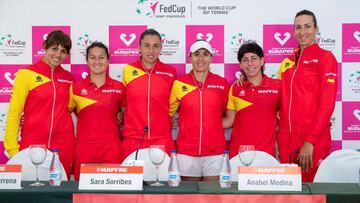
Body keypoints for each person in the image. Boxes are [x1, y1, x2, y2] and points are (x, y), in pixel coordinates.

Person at [4, 30, 75, 178]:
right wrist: (12, 150)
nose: (58, 54)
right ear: (45, 47)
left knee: (60, 193)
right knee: (31, 192)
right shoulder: (26, 73)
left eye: (63, 51)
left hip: (63, 145)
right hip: (32, 143)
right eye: (54, 48)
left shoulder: (69, 78)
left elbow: (74, 107)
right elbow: (14, 112)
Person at [277, 10, 338, 182]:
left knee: (311, 194)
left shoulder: (325, 58)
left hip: (311, 139)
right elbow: (277, 93)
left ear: (316, 28)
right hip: (285, 138)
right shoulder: (287, 61)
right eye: (298, 27)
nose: (302, 32)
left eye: (307, 26)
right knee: (288, 193)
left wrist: (310, 141)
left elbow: (327, 104)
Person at [169, 40, 229, 181]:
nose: (201, 58)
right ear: (190, 58)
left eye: (205, 54)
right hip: (187, 151)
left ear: (211, 58)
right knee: (189, 197)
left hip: (215, 151)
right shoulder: (179, 84)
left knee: (212, 197)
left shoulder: (221, 83)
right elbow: (169, 113)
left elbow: (225, 113)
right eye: (197, 54)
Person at [69, 42, 126, 180]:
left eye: (101, 57)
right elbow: (62, 114)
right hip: (84, 149)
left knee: (112, 196)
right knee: (83, 196)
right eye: (92, 57)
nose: (97, 61)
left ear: (108, 60)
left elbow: (129, 115)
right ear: (87, 60)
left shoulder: (119, 88)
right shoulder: (75, 88)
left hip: (111, 149)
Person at [121, 29, 176, 161]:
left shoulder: (170, 72)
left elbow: (173, 104)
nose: (151, 51)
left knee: (162, 180)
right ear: (139, 47)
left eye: (155, 46)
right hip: (133, 139)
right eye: (147, 46)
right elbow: (123, 102)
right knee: (133, 181)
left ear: (161, 48)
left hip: (162, 139)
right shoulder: (128, 69)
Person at [222, 42, 281, 159]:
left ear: (262, 61)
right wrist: (200, 122)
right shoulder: (235, 88)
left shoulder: (278, 86)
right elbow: (229, 121)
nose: (249, 63)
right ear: (241, 65)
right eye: (245, 60)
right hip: (238, 155)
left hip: (266, 155)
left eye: (253, 58)